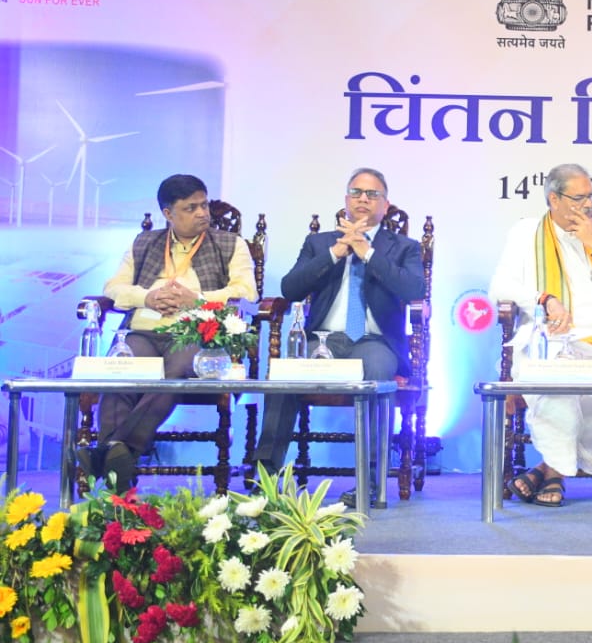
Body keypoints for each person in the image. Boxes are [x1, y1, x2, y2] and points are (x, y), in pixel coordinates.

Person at [252, 168, 425, 504]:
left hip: (374, 341)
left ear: (385, 205)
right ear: (346, 200)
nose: (363, 199)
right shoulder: (319, 243)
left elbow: (414, 290)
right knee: (284, 375)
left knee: (377, 372)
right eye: (356, 192)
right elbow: (290, 288)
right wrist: (336, 253)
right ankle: (266, 478)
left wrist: (367, 253)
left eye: (372, 194)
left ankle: (370, 482)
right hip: (323, 340)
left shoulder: (404, 247)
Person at [80, 174, 258, 491]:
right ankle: (118, 466)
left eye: (204, 205)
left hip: (193, 333)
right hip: (144, 330)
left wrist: (197, 300)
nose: (202, 213)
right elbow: (113, 287)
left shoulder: (231, 244)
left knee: (176, 371)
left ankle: (111, 454)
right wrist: (146, 297)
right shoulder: (144, 243)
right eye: (191, 208)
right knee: (122, 371)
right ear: (168, 213)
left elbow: (246, 292)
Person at [488, 163, 592, 508]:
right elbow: (498, 287)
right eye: (578, 198)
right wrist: (544, 299)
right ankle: (558, 472)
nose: (588, 205)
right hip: (547, 342)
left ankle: (549, 469)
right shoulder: (526, 233)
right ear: (554, 199)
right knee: (558, 387)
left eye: (591, 196)